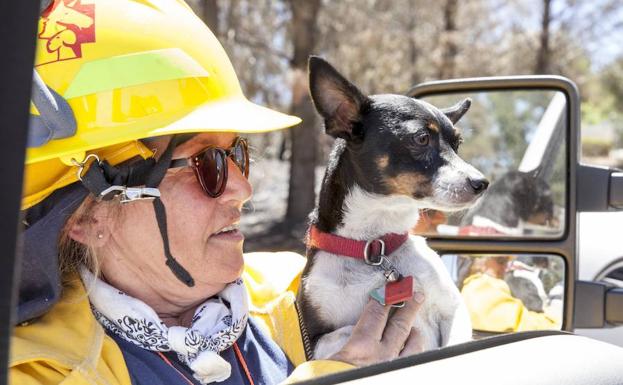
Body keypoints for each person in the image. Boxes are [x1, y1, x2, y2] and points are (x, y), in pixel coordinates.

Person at [11, 1, 425, 384]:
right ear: (85, 214)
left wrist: (484, 277)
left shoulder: (297, 288)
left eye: (237, 155)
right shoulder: (40, 372)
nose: (241, 189)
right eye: (204, 164)